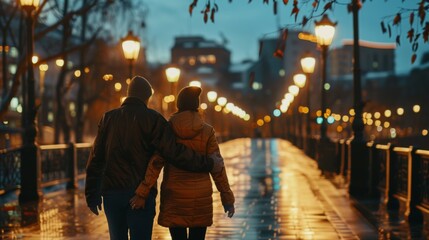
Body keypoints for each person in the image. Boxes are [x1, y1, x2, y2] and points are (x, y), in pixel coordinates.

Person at [85, 76, 224, 240]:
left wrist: (92, 194)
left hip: (112, 194)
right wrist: (208, 163)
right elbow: (174, 152)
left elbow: (96, 158)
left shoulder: (108, 118)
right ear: (147, 97)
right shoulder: (153, 119)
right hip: (140, 195)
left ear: (129, 94)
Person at [130, 86, 235, 240]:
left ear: (178, 105)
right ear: (196, 106)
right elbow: (218, 167)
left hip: (174, 196)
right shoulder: (207, 131)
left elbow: (156, 163)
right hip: (200, 197)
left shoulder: (168, 129)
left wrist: (142, 192)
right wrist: (227, 198)